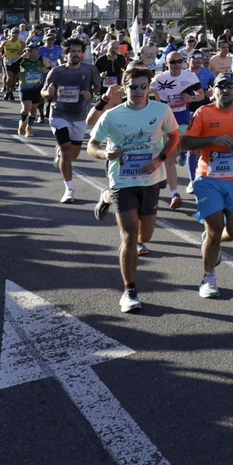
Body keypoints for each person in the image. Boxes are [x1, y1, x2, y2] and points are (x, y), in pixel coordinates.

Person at [86, 69, 178, 312]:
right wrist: (105, 154)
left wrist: (161, 159)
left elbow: (175, 136)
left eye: (143, 86)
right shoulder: (112, 116)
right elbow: (92, 145)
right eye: (133, 87)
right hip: (123, 181)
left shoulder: (161, 110)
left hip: (150, 180)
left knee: (144, 236)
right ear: (124, 89)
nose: (138, 91)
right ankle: (129, 291)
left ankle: (105, 196)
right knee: (129, 235)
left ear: (149, 88)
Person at [180, 73, 233, 299]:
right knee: (214, 228)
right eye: (220, 87)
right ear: (212, 90)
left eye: (230, 86)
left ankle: (211, 243)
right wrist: (211, 140)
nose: (225, 90)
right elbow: (185, 142)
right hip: (208, 179)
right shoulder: (203, 112)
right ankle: (208, 278)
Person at [44, 40, 100, 204]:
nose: (76, 54)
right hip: (59, 114)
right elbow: (44, 91)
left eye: (79, 51)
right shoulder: (56, 72)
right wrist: (48, 93)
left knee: (73, 154)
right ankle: (69, 189)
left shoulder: (90, 69)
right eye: (72, 51)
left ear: (83, 54)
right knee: (67, 151)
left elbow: (97, 86)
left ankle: (60, 153)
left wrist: (91, 93)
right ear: (66, 54)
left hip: (80, 116)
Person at [151, 52, 205, 208]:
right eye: (172, 62)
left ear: (183, 62)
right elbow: (148, 93)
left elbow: (201, 95)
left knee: (182, 150)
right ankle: (175, 193)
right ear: (166, 63)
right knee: (169, 156)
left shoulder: (190, 77)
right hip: (165, 121)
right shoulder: (159, 79)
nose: (176, 64)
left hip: (182, 119)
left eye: (179, 61)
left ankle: (181, 154)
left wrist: (192, 98)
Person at [14, 41, 48, 138]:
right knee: (26, 108)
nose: (31, 51)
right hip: (24, 87)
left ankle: (29, 127)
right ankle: (22, 122)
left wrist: (47, 70)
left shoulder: (42, 59)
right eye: (29, 50)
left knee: (33, 110)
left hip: (37, 87)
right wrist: (22, 57)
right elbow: (14, 67)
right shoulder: (24, 59)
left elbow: (50, 70)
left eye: (33, 50)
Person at [0, 29, 26, 100]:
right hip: (8, 60)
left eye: (16, 33)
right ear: (10, 34)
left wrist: (22, 53)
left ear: (18, 34)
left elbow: (25, 52)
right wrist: (0, 54)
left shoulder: (21, 43)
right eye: (13, 33)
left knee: (14, 78)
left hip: (17, 60)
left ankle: (11, 91)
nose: (15, 34)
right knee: (9, 76)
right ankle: (7, 91)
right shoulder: (5, 42)